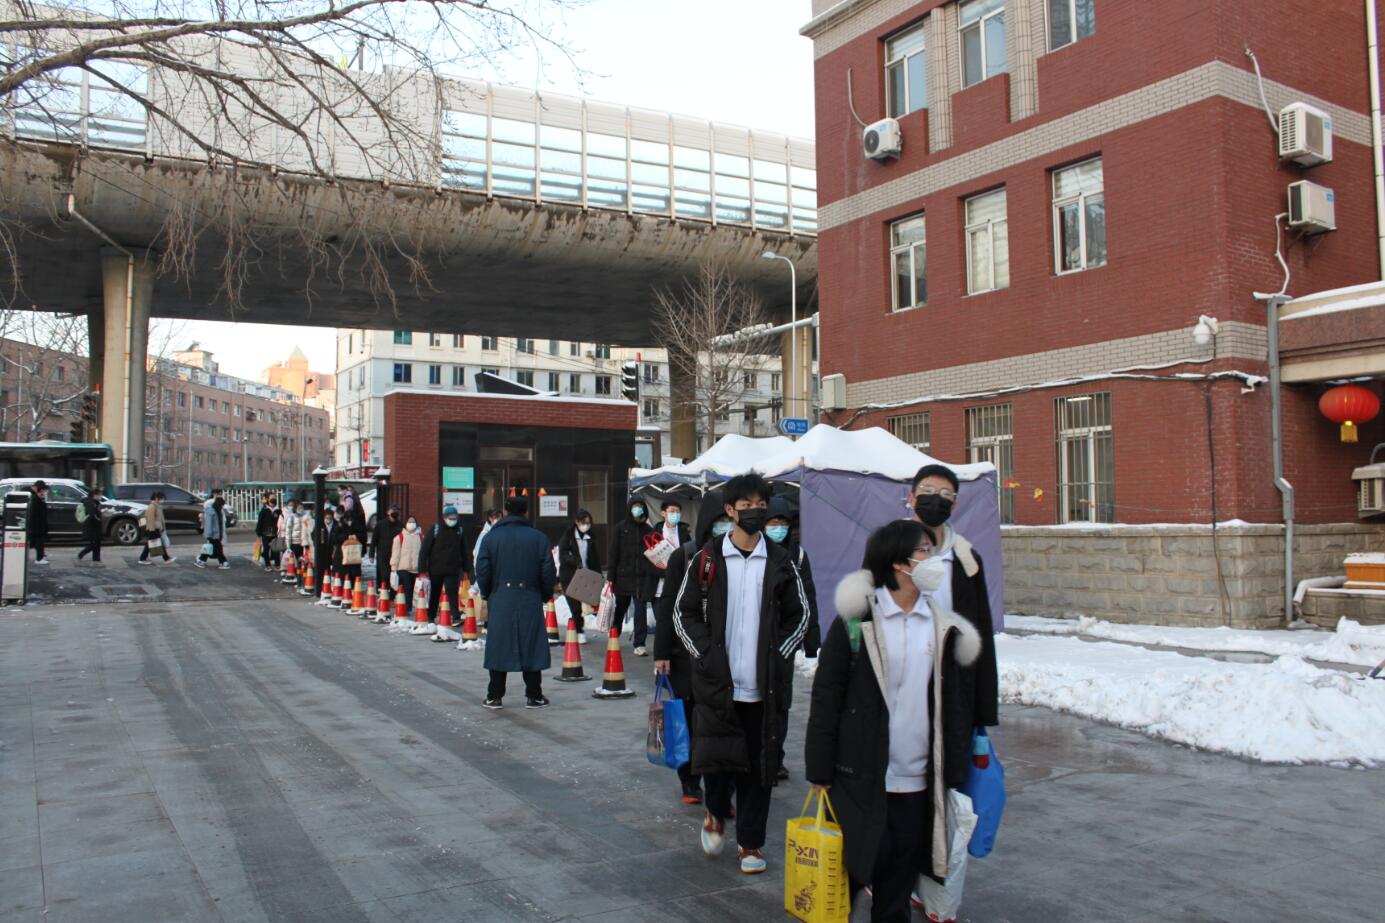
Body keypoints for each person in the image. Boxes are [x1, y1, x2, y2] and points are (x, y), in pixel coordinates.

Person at [804, 518, 998, 923]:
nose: (932, 558)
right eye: (924, 550)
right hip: (859, 779)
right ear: (898, 562)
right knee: (847, 880)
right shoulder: (858, 622)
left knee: (896, 888)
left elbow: (953, 705)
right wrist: (820, 768)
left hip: (918, 783)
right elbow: (827, 697)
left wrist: (954, 766)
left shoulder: (942, 627)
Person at [673, 473, 810, 875]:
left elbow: (800, 615)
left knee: (759, 769)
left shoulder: (781, 561)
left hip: (764, 689)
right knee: (717, 763)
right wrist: (705, 654)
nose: (755, 512)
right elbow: (683, 612)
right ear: (730, 511)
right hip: (718, 685)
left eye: (761, 505)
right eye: (746, 505)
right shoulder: (708, 559)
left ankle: (750, 843)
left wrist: (779, 655)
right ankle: (715, 813)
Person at [655, 489, 730, 806]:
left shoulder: (738, 556)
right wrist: (661, 653)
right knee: (687, 718)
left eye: (730, 519)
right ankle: (689, 779)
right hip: (684, 654)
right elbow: (667, 607)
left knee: (720, 721)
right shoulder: (684, 556)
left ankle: (721, 786)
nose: (726, 525)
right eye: (720, 520)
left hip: (723, 655)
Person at [476, 495, 557, 709]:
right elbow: (548, 571)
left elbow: (482, 570)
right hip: (529, 595)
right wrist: (544, 594)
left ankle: (494, 695)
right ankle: (534, 695)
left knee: (499, 645)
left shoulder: (491, 538)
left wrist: (488, 592)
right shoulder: (538, 537)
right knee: (531, 644)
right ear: (526, 512)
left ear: (504, 512)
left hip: (501, 596)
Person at [765, 496, 820, 781]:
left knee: (780, 703)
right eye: (773, 522)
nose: (779, 528)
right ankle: (759, 756)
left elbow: (808, 600)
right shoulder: (757, 551)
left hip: (784, 642)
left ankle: (776, 757)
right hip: (756, 640)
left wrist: (811, 645)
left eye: (783, 523)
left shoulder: (797, 555)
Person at [607, 495, 657, 656]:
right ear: (629, 509)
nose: (638, 509)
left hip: (641, 578)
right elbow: (613, 553)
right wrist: (610, 577)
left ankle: (640, 643)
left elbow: (654, 553)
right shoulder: (620, 528)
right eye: (635, 506)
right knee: (620, 608)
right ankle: (614, 634)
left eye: (640, 506)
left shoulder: (649, 530)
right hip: (622, 577)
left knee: (640, 610)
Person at [419, 504, 474, 624]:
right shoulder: (435, 529)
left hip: (452, 569)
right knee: (434, 593)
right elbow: (424, 550)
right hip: (435, 569)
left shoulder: (459, 531)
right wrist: (422, 569)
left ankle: (455, 617)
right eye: (450, 518)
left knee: (452, 593)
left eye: (455, 518)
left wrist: (467, 569)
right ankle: (431, 616)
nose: (452, 520)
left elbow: (464, 551)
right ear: (444, 518)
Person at [557, 508, 602, 643]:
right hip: (569, 576)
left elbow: (594, 558)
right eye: (583, 523)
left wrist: (599, 575)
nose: (586, 526)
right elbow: (563, 555)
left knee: (587, 605)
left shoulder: (590, 537)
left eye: (588, 523)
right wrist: (575, 560)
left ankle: (577, 626)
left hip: (585, 575)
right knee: (574, 605)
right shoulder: (568, 536)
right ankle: (579, 630)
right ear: (577, 522)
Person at [389, 513, 423, 622]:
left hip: (416, 569)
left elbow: (423, 554)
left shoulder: (421, 537)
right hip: (403, 568)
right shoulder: (399, 537)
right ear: (405, 523)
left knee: (414, 590)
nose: (411, 524)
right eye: (409, 522)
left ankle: (411, 607)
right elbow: (395, 554)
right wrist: (393, 568)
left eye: (413, 522)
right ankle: (407, 608)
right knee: (407, 589)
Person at [336, 489, 368, 600]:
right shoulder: (340, 524)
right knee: (344, 575)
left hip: (355, 555)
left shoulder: (358, 522)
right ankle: (345, 595)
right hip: (343, 555)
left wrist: (356, 537)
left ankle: (354, 595)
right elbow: (336, 537)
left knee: (354, 575)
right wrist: (346, 537)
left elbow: (363, 535)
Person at [370, 503, 403, 602]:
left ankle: (392, 596)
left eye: (397, 511)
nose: (395, 512)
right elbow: (374, 540)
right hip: (383, 555)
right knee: (385, 575)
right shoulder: (380, 524)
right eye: (393, 510)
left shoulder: (401, 525)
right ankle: (384, 594)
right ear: (388, 512)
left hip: (396, 556)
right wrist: (371, 554)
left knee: (394, 576)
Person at [137, 491, 175, 564]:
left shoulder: (157, 506)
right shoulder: (152, 506)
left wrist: (162, 527)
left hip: (156, 528)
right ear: (157, 498)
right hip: (153, 528)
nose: (162, 500)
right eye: (162, 499)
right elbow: (150, 519)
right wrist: (152, 530)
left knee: (149, 543)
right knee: (158, 543)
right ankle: (166, 558)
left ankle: (142, 558)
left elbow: (160, 519)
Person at [316, 507, 343, 604]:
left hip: (333, 550)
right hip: (322, 551)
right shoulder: (320, 524)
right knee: (324, 568)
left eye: (330, 518)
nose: (328, 520)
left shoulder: (336, 524)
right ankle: (323, 587)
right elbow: (314, 535)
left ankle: (332, 587)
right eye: (327, 518)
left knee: (333, 569)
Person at [196, 495, 230, 568]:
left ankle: (223, 562)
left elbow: (209, 524)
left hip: (213, 535)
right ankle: (222, 562)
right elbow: (214, 524)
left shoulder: (212, 511)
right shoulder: (217, 512)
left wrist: (208, 535)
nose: (222, 507)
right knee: (215, 548)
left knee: (213, 548)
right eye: (221, 505)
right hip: (216, 534)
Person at [76, 487, 104, 565]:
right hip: (91, 526)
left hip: (94, 526)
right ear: (94, 495)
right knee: (94, 543)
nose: (100, 496)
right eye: (99, 495)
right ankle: (81, 554)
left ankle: (96, 558)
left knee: (97, 543)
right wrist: (98, 519)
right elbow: (92, 515)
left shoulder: (95, 502)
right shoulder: (89, 502)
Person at [256, 494, 282, 572]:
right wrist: (259, 534)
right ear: (268, 500)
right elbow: (260, 522)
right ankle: (267, 565)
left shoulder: (278, 510)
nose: (273, 499)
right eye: (271, 498)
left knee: (276, 549)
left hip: (276, 533)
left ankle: (277, 564)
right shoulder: (264, 510)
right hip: (266, 533)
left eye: (274, 498)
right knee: (266, 549)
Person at [28, 480, 49, 565]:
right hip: (37, 526)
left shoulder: (37, 498)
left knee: (38, 542)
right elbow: (35, 514)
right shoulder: (35, 499)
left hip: (38, 526)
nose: (44, 492)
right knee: (39, 542)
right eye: (43, 490)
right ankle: (39, 558)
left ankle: (41, 556)